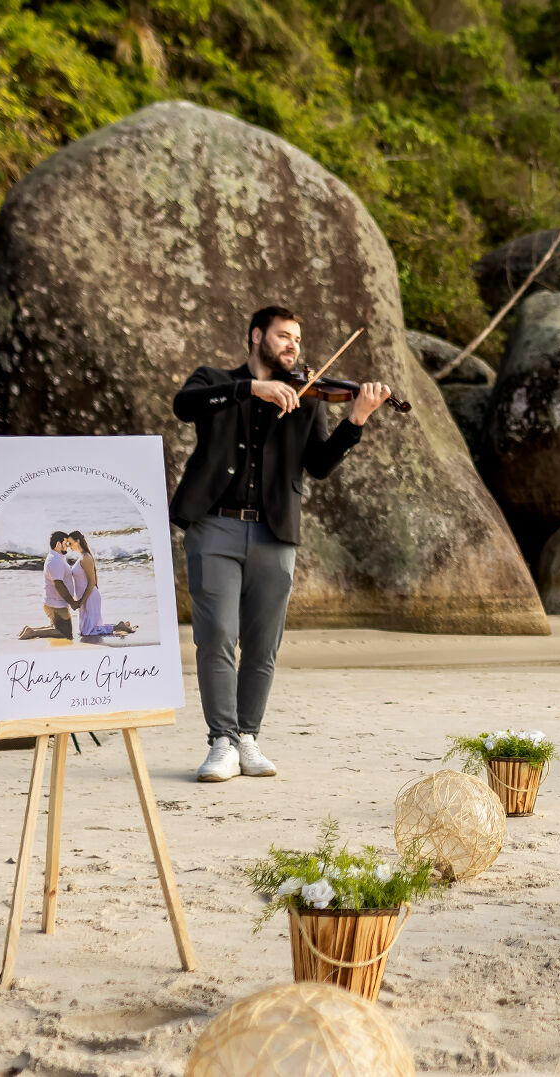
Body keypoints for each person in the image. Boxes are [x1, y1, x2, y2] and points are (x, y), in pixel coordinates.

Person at [170, 306, 391, 783]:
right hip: (215, 528)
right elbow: (184, 405)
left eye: (297, 339)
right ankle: (221, 741)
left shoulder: (308, 398)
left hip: (275, 534)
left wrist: (356, 419)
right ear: (256, 337)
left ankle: (247, 736)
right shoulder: (214, 381)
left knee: (263, 645)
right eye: (283, 336)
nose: (293, 345)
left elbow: (318, 465)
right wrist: (251, 389)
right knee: (217, 639)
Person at [65, 531, 137, 639]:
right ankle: (120, 626)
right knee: (86, 630)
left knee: (88, 632)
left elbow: (92, 583)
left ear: (78, 541)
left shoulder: (86, 558)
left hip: (89, 597)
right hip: (86, 598)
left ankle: (118, 627)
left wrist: (80, 602)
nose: (69, 546)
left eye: (70, 543)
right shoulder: (82, 557)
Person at [18, 531, 77, 640]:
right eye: (66, 543)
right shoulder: (55, 561)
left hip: (54, 602)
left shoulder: (56, 557)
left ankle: (29, 629)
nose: (67, 546)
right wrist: (72, 602)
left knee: (57, 627)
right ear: (58, 544)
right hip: (56, 605)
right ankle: (33, 632)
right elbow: (58, 584)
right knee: (66, 634)